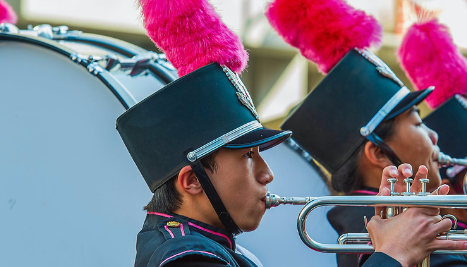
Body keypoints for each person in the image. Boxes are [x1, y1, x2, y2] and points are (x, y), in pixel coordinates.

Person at [117, 0, 467, 266]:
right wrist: (391, 255)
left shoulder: (205, 246)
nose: (267, 173)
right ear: (192, 182)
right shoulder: (188, 257)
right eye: (248, 157)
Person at [266, 0, 467, 266]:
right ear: (379, 152)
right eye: (418, 124)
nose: (434, 136)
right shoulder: (380, 225)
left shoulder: (356, 218)